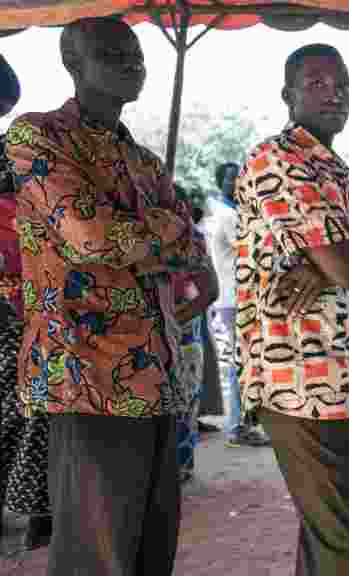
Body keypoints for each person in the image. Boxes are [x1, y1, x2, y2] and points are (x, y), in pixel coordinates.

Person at [7, 17, 209, 574]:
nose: (133, 62)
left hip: (159, 375)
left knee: (150, 549)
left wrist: (147, 235)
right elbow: (87, 236)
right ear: (74, 65)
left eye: (137, 53)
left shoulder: (142, 160)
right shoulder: (37, 136)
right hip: (86, 376)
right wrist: (162, 232)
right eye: (114, 52)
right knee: (98, 555)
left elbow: (192, 247)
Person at [235, 43, 349, 576]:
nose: (335, 93)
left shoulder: (334, 172)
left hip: (348, 376)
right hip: (299, 381)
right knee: (343, 545)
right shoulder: (278, 160)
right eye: (316, 83)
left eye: (343, 83)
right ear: (287, 95)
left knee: (329, 534)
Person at [0, 52, 52, 551]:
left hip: (17, 309)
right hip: (18, 310)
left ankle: (25, 521)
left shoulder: (15, 156)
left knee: (28, 413)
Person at [204, 161, 270, 446]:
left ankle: (241, 424)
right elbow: (255, 249)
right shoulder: (229, 216)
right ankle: (237, 426)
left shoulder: (226, 212)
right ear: (221, 182)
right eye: (231, 178)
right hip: (236, 298)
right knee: (240, 364)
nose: (237, 182)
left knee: (242, 361)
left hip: (233, 298)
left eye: (240, 177)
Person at [172, 191, 218, 483]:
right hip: (168, 335)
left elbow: (210, 292)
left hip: (184, 336)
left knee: (184, 406)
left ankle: (180, 468)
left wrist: (175, 322)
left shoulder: (191, 241)